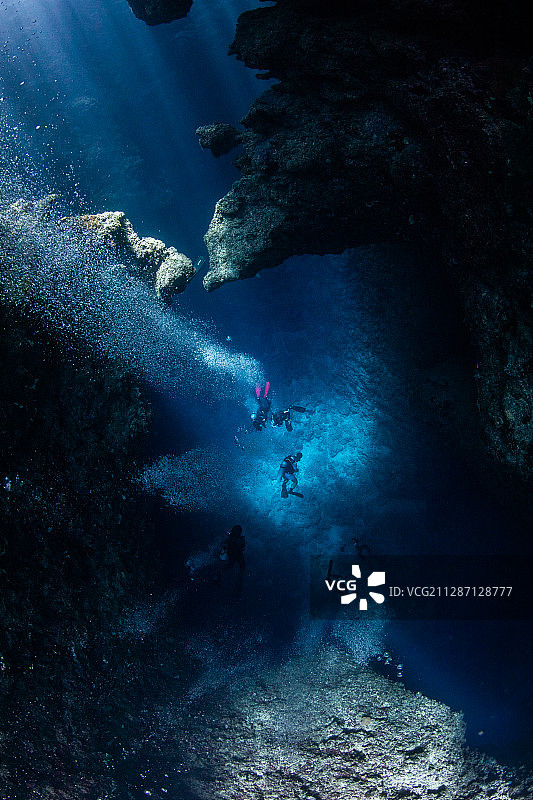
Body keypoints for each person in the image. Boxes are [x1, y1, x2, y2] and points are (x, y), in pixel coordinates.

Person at [217, 524, 246, 596]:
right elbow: (225, 542)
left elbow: (242, 544)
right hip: (235, 553)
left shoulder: (236, 538)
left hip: (236, 554)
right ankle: (220, 575)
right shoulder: (232, 537)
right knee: (235, 565)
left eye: (238, 531)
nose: (237, 532)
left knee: (238, 566)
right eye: (236, 530)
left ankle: (238, 584)